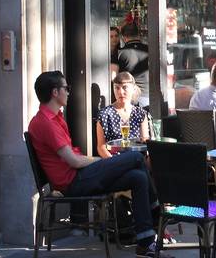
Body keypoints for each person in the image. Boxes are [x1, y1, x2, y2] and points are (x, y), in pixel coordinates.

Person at [27, 71, 160, 258]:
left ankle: (145, 243)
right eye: (66, 88)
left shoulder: (55, 118)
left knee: (138, 177)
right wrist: (103, 161)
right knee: (136, 158)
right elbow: (73, 161)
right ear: (55, 92)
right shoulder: (46, 123)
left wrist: (101, 163)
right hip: (73, 182)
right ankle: (157, 212)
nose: (69, 92)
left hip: (80, 175)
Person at [96, 72, 149, 159]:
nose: (120, 92)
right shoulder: (104, 115)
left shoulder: (140, 114)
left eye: (125, 87)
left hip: (136, 159)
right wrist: (115, 161)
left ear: (133, 89)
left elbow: (145, 143)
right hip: (114, 160)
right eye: (117, 88)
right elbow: (101, 147)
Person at [118, 23, 149, 108]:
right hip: (151, 95)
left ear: (124, 37)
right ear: (139, 35)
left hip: (133, 97)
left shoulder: (121, 53)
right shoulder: (149, 49)